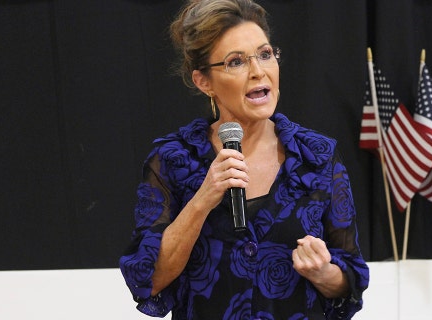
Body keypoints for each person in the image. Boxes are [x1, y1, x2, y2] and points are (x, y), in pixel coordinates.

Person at [119, 0, 369, 318]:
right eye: (236, 62)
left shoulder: (317, 155)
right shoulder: (173, 158)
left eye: (265, 55)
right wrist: (202, 199)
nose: (258, 71)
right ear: (204, 82)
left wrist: (323, 273)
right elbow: (146, 280)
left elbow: (351, 282)